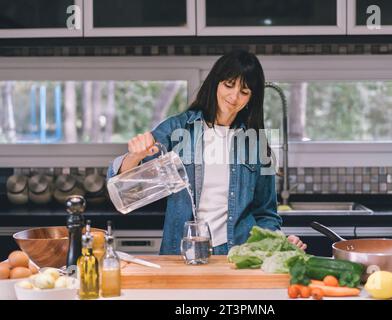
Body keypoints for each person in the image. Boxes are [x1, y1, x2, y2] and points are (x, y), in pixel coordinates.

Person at [107, 49, 306, 255]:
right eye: (229, 85)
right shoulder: (178, 129)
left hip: (238, 256)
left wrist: (279, 241)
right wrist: (135, 155)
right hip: (184, 254)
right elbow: (126, 189)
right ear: (216, 82)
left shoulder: (255, 144)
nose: (234, 96)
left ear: (251, 98)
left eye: (244, 91)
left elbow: (265, 214)